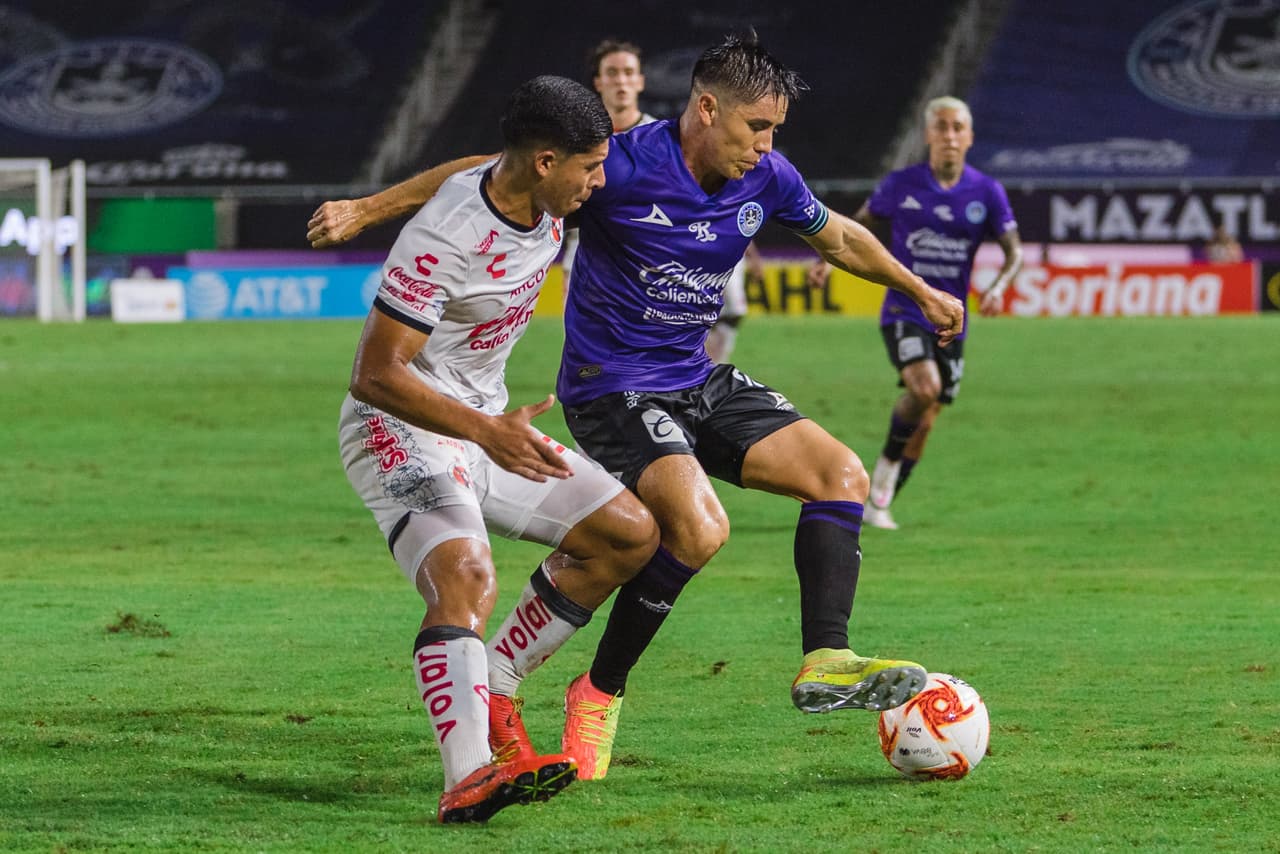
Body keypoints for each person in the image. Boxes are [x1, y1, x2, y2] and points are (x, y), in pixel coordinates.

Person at [310, 34, 965, 783]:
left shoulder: (768, 176)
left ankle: (826, 656)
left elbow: (839, 238)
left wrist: (917, 289)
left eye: (776, 130)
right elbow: (496, 172)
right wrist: (369, 208)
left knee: (839, 475)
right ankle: (595, 693)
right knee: (698, 526)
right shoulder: (615, 164)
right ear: (707, 108)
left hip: (692, 374)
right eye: (758, 126)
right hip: (610, 383)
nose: (768, 144)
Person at [334, 75, 659, 822]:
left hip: (486, 428)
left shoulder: (520, 180)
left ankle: (500, 684)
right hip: (401, 428)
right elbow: (376, 373)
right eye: (590, 167)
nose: (598, 182)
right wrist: (488, 432)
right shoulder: (448, 235)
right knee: (467, 577)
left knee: (628, 535)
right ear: (547, 161)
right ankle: (468, 777)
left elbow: (471, 163)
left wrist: (366, 207)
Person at [813, 95, 1023, 530]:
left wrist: (999, 288)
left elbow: (1013, 253)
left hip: (953, 320)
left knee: (925, 420)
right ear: (928, 134)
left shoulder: (987, 192)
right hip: (904, 309)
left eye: (957, 128)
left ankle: (882, 495)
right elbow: (858, 225)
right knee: (924, 389)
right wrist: (823, 257)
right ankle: (879, 488)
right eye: (941, 127)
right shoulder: (901, 184)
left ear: (969, 137)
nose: (949, 136)